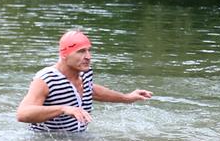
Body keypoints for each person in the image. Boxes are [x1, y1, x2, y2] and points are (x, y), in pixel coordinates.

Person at [15, 30, 152, 132]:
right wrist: (63, 109)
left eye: (88, 51)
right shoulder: (46, 79)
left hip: (78, 139)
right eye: (81, 51)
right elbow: (22, 114)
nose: (88, 56)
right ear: (64, 55)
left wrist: (127, 98)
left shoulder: (84, 73)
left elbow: (91, 90)